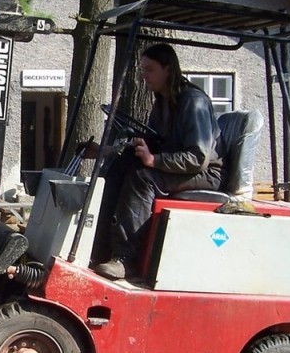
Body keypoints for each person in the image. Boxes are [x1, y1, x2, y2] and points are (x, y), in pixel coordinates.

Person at [91, 43, 223, 281]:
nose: (144, 76)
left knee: (142, 177)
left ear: (168, 69)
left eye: (149, 70)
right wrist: (111, 150)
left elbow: (199, 158)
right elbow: (156, 142)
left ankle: (126, 259)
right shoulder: (163, 102)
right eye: (142, 70)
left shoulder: (193, 102)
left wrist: (154, 160)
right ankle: (98, 246)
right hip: (180, 167)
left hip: (206, 174)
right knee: (122, 165)